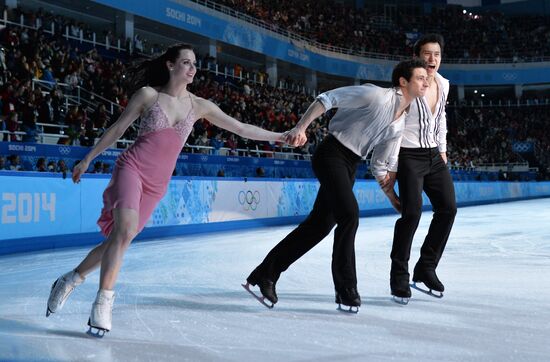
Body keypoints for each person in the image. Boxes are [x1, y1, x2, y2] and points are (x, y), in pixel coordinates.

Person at [46, 43, 288, 335]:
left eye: (195, 64)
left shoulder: (200, 106)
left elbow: (242, 128)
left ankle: (71, 278)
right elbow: (118, 129)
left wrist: (282, 137)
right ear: (171, 65)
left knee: (118, 240)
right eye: (186, 62)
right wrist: (88, 158)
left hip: (156, 185)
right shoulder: (149, 95)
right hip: (131, 169)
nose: (192, 68)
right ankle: (103, 302)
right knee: (123, 233)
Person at [244, 59, 429, 311]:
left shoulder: (399, 123)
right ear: (403, 81)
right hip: (331, 154)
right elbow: (326, 99)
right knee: (349, 215)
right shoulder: (374, 95)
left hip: (350, 164)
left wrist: (393, 199)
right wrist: (301, 127)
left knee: (319, 225)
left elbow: (380, 165)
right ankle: (346, 289)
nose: (426, 81)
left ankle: (265, 274)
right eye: (420, 77)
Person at [383, 34, 457, 303]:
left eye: (436, 54)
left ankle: (426, 268)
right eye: (427, 53)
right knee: (411, 214)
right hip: (408, 155)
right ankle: (398, 276)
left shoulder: (444, 84)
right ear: (417, 56)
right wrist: (391, 165)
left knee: (448, 208)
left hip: (434, 155)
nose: (432, 59)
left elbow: (441, 120)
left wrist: (443, 151)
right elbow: (392, 126)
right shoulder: (406, 85)